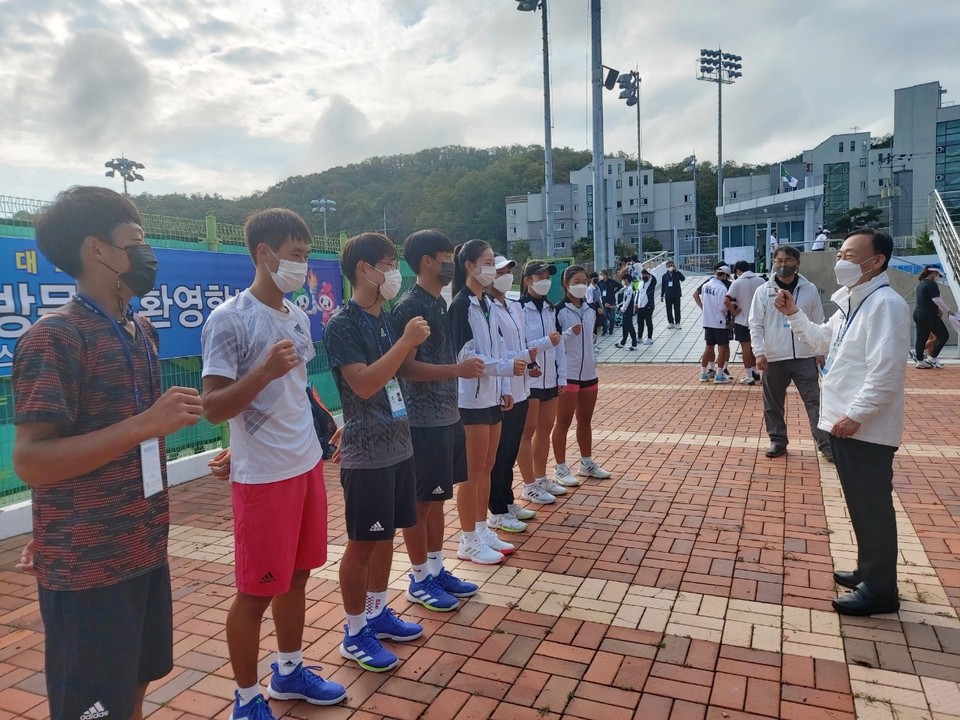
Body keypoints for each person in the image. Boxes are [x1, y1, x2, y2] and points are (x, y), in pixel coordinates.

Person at [12, 186, 204, 720]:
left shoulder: (139, 329)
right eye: (136, 241)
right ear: (97, 249)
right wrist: (144, 425)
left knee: (133, 687)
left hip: (144, 546)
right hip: (87, 567)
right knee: (93, 709)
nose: (148, 253)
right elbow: (31, 459)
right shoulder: (54, 338)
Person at [201, 209, 347, 719]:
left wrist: (327, 425)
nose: (304, 267)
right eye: (297, 256)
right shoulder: (229, 320)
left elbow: (298, 388)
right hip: (263, 479)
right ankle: (246, 698)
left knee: (301, 574)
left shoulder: (298, 317)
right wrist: (262, 372)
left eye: (307, 257)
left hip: (305, 464)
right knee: (255, 593)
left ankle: (289, 671)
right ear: (265, 254)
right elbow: (214, 406)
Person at [774, 228, 909, 616]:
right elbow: (821, 342)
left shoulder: (886, 305)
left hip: (862, 427)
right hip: (844, 422)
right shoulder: (852, 303)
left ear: (876, 261)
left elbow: (886, 372)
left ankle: (881, 590)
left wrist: (856, 414)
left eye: (850, 255)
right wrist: (794, 314)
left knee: (872, 507)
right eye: (840, 255)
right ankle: (869, 571)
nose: (840, 261)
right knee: (860, 505)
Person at [323, 232, 430, 672]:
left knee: (385, 537)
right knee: (362, 544)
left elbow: (401, 374)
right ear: (363, 270)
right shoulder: (342, 324)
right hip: (367, 453)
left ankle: (377, 610)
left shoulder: (385, 318)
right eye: (387, 264)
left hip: (399, 444)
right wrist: (405, 342)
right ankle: (353, 631)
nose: (394, 273)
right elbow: (365, 384)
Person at [392, 229, 486, 610]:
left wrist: (456, 373)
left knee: (437, 500)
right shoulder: (409, 306)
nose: (450, 261)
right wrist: (457, 370)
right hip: (421, 421)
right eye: (445, 255)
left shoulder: (439, 303)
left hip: (447, 416)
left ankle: (436, 567)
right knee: (420, 503)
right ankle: (418, 578)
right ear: (427, 261)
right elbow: (407, 368)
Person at [449, 240, 525, 564]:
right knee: (472, 471)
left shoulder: (487, 305)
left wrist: (506, 384)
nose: (493, 269)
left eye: (494, 262)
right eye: (488, 262)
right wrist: (506, 368)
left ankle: (481, 529)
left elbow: (496, 352)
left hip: (492, 395)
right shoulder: (460, 306)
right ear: (469, 265)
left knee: (488, 467)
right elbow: (467, 357)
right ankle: (467, 539)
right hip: (472, 401)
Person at [749, 246, 833, 462]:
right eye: (778, 260)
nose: (782, 264)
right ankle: (778, 440)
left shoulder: (809, 288)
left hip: (805, 355)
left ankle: (826, 444)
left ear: (798, 263)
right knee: (773, 403)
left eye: (787, 260)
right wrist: (759, 353)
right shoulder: (763, 291)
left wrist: (820, 349)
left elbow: (818, 320)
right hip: (774, 356)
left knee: (815, 401)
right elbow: (755, 325)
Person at [487, 256, 539, 532]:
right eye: (500, 271)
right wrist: (519, 360)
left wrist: (531, 362)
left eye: (508, 271)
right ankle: (496, 509)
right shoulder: (488, 307)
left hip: (520, 387)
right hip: (504, 388)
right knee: (499, 452)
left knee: (510, 450)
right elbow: (497, 351)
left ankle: (507, 501)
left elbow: (522, 342)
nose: (506, 275)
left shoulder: (514, 306)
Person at [552, 265, 612, 486]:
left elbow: (595, 335)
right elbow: (552, 341)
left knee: (585, 420)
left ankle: (586, 462)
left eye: (584, 281)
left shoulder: (590, 309)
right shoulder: (558, 310)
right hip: (567, 374)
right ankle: (560, 467)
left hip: (589, 372)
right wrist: (567, 334)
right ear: (566, 284)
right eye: (576, 282)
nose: (581, 285)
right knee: (563, 422)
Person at [517, 261, 570, 503]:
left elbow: (558, 345)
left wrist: (561, 376)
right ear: (528, 280)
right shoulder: (518, 309)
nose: (545, 281)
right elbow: (519, 346)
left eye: (548, 277)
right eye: (540, 277)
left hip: (550, 379)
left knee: (545, 430)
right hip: (531, 380)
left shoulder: (550, 309)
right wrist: (544, 345)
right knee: (526, 432)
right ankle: (528, 485)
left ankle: (540, 478)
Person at [724, 260, 765, 385]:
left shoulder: (737, 283)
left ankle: (750, 375)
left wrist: (734, 313)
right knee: (759, 348)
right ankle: (758, 373)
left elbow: (726, 300)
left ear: (737, 271)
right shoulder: (761, 281)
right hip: (760, 321)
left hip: (742, 320)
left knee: (745, 347)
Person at [694, 263, 733, 383]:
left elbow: (698, 296)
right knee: (722, 348)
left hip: (707, 321)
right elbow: (722, 306)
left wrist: (704, 308)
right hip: (719, 321)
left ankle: (703, 373)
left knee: (708, 347)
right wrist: (733, 310)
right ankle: (719, 375)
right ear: (725, 276)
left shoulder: (706, 285)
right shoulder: (721, 288)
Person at [913, 266, 953, 369]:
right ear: (934, 273)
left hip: (918, 313)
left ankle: (920, 361)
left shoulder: (921, 283)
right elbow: (936, 299)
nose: (938, 277)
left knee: (921, 338)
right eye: (938, 275)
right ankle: (932, 358)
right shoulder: (931, 284)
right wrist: (948, 310)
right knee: (944, 335)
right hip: (929, 315)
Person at [615, 272, 638, 350]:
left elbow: (628, 301)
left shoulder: (630, 289)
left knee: (630, 327)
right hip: (625, 310)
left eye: (624, 280)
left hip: (628, 311)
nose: (623, 281)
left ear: (627, 280)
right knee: (625, 327)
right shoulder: (626, 288)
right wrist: (619, 306)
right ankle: (623, 342)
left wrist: (623, 309)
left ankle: (634, 344)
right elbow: (624, 301)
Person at [661, 260, 686, 329]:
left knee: (677, 309)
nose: (670, 267)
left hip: (676, 294)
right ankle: (671, 322)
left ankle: (678, 323)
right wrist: (662, 295)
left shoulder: (677, 274)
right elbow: (663, 286)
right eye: (669, 266)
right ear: (666, 267)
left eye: (671, 266)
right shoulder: (664, 276)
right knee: (668, 309)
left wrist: (677, 271)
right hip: (668, 295)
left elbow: (683, 279)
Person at [635, 267, 657, 345]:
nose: (644, 275)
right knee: (640, 322)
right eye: (643, 274)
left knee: (648, 322)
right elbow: (638, 293)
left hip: (648, 305)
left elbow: (654, 277)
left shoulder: (651, 282)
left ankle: (649, 338)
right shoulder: (640, 283)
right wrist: (636, 303)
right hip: (640, 306)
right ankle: (640, 337)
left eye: (646, 274)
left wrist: (649, 270)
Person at [599, 269, 619, 336]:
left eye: (601, 274)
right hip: (604, 303)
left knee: (612, 317)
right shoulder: (600, 283)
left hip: (612, 302)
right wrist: (603, 302)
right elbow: (599, 293)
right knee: (604, 317)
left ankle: (611, 330)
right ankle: (604, 331)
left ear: (605, 275)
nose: (600, 276)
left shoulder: (611, 282)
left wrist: (614, 292)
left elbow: (619, 286)